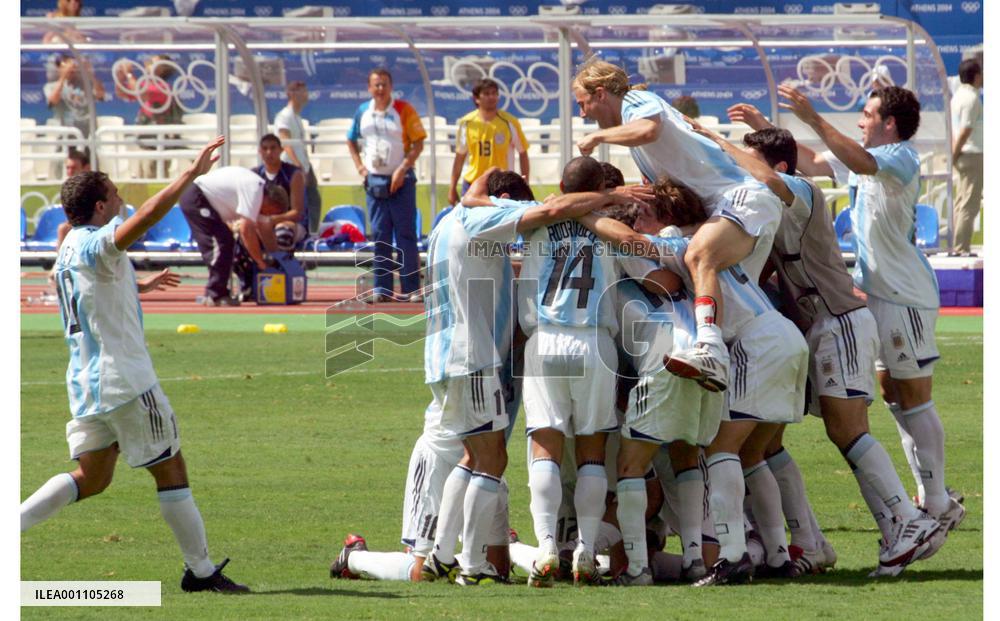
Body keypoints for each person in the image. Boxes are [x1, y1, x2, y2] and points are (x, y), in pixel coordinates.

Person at [715, 117, 950, 575]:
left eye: (752, 163)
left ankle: (906, 517)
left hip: (839, 321)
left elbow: (764, 176)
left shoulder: (799, 191)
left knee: (848, 430)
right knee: (838, 432)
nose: (746, 174)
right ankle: (882, 532)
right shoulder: (769, 210)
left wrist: (716, 143)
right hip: (828, 324)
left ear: (779, 166)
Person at [20, 136, 249, 593]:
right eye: (116, 193)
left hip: (86, 387)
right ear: (101, 206)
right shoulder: (95, 242)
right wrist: (190, 174)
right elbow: (142, 221)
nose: (123, 199)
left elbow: (94, 289)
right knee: (171, 468)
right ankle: (200, 571)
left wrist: (140, 285)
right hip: (124, 381)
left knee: (93, 476)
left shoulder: (68, 248)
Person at [580, 177, 810, 586]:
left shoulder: (674, 241)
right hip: (771, 342)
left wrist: (587, 213)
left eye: (646, 211)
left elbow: (645, 256)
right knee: (742, 455)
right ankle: (765, 554)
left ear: (665, 215)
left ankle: (655, 568)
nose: (639, 218)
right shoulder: (716, 240)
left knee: (641, 464)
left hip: (694, 355)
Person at [419, 168, 635, 586]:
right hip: (588, 342)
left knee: (537, 448)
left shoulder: (528, 221)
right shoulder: (610, 224)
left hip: (538, 343)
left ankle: (545, 546)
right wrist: (610, 201)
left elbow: (500, 205)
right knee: (586, 450)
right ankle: (582, 552)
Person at [768, 84, 965, 541]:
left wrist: (814, 118)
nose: (861, 120)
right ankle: (930, 494)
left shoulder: (900, 155)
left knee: (913, 395)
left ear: (889, 122)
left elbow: (859, 161)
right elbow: (817, 163)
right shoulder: (864, 155)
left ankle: (936, 500)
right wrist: (768, 131)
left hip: (905, 294)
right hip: (876, 291)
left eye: (867, 113)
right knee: (894, 391)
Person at [573, 59, 784, 396]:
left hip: (741, 197)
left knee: (699, 257)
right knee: (726, 291)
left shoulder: (636, 103)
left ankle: (711, 351)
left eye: (582, 103)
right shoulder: (641, 151)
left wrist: (598, 136)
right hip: (726, 209)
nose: (582, 113)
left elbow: (649, 129)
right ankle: (720, 360)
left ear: (600, 94)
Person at [347, 69, 426, 303]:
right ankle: (382, 288)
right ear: (369, 88)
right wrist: (361, 168)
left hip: (401, 180)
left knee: (405, 235)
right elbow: (350, 139)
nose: (380, 89)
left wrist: (403, 168)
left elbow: (419, 142)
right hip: (375, 181)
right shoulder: (363, 111)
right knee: (380, 235)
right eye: (376, 85)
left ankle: (411, 288)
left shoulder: (403, 109)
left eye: (384, 84)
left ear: (391, 87)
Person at [178, 165, 289, 306]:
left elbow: (263, 229)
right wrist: (260, 261)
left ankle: (218, 292)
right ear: (271, 201)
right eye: (271, 211)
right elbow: (246, 230)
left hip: (202, 198)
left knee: (227, 241)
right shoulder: (255, 190)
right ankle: (215, 295)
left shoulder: (260, 195)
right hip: (197, 197)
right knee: (220, 243)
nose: (268, 215)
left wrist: (276, 256)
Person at [448, 78, 530, 206]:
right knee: (471, 224)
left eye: (494, 93)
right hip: (473, 183)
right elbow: (459, 157)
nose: (491, 97)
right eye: (486, 93)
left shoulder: (510, 122)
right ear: (476, 98)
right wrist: (452, 187)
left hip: (502, 185)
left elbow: (523, 152)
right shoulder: (467, 123)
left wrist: (525, 182)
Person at [114, 54, 184, 179]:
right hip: (144, 145)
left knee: (155, 182)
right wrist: (120, 77)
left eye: (152, 62)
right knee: (141, 184)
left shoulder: (162, 87)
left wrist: (129, 74)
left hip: (157, 147)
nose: (146, 63)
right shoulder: (147, 85)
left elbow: (139, 92)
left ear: (161, 69)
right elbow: (122, 94)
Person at [274, 81, 321, 234]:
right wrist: (298, 166)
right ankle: (295, 233)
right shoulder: (284, 116)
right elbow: (285, 142)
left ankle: (310, 233)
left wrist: (305, 164)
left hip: (304, 166)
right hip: (293, 167)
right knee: (298, 204)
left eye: (306, 91)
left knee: (313, 201)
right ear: (292, 94)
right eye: (302, 92)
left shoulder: (297, 116)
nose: (306, 95)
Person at [949, 59, 984, 256]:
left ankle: (957, 245)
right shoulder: (971, 99)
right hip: (971, 153)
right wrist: (955, 152)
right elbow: (965, 130)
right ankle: (961, 247)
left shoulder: (957, 97)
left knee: (961, 201)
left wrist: (954, 153)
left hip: (962, 153)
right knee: (969, 203)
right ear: (976, 76)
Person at [252, 133, 308, 252]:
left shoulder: (294, 174)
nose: (269, 152)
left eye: (273, 148)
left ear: (281, 150)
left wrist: (270, 220)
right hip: (263, 223)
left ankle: (283, 267)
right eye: (265, 148)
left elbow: (297, 212)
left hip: (292, 224)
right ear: (259, 151)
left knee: (283, 232)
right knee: (241, 232)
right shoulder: (254, 175)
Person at [45, 53, 105, 139]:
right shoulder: (52, 86)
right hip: (66, 134)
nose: (71, 70)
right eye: (66, 67)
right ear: (59, 68)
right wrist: (63, 77)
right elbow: (52, 102)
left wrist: (89, 74)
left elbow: (100, 95)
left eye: (73, 67)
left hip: (88, 134)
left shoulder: (88, 84)